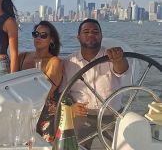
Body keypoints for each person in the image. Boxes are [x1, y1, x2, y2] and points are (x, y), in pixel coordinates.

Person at [62, 18, 129, 149]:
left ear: (101, 36)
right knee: (74, 147)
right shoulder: (68, 62)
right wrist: (72, 106)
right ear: (78, 37)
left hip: (112, 115)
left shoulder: (112, 56)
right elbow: (64, 92)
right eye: (86, 32)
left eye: (95, 32)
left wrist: (119, 59)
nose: (91, 35)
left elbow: (122, 69)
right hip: (82, 116)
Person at [18, 21, 63, 142]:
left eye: (43, 35)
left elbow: (46, 91)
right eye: (36, 34)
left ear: (51, 40)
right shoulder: (22, 57)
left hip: (45, 113)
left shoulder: (55, 62)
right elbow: (9, 81)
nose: (38, 38)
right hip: (22, 109)